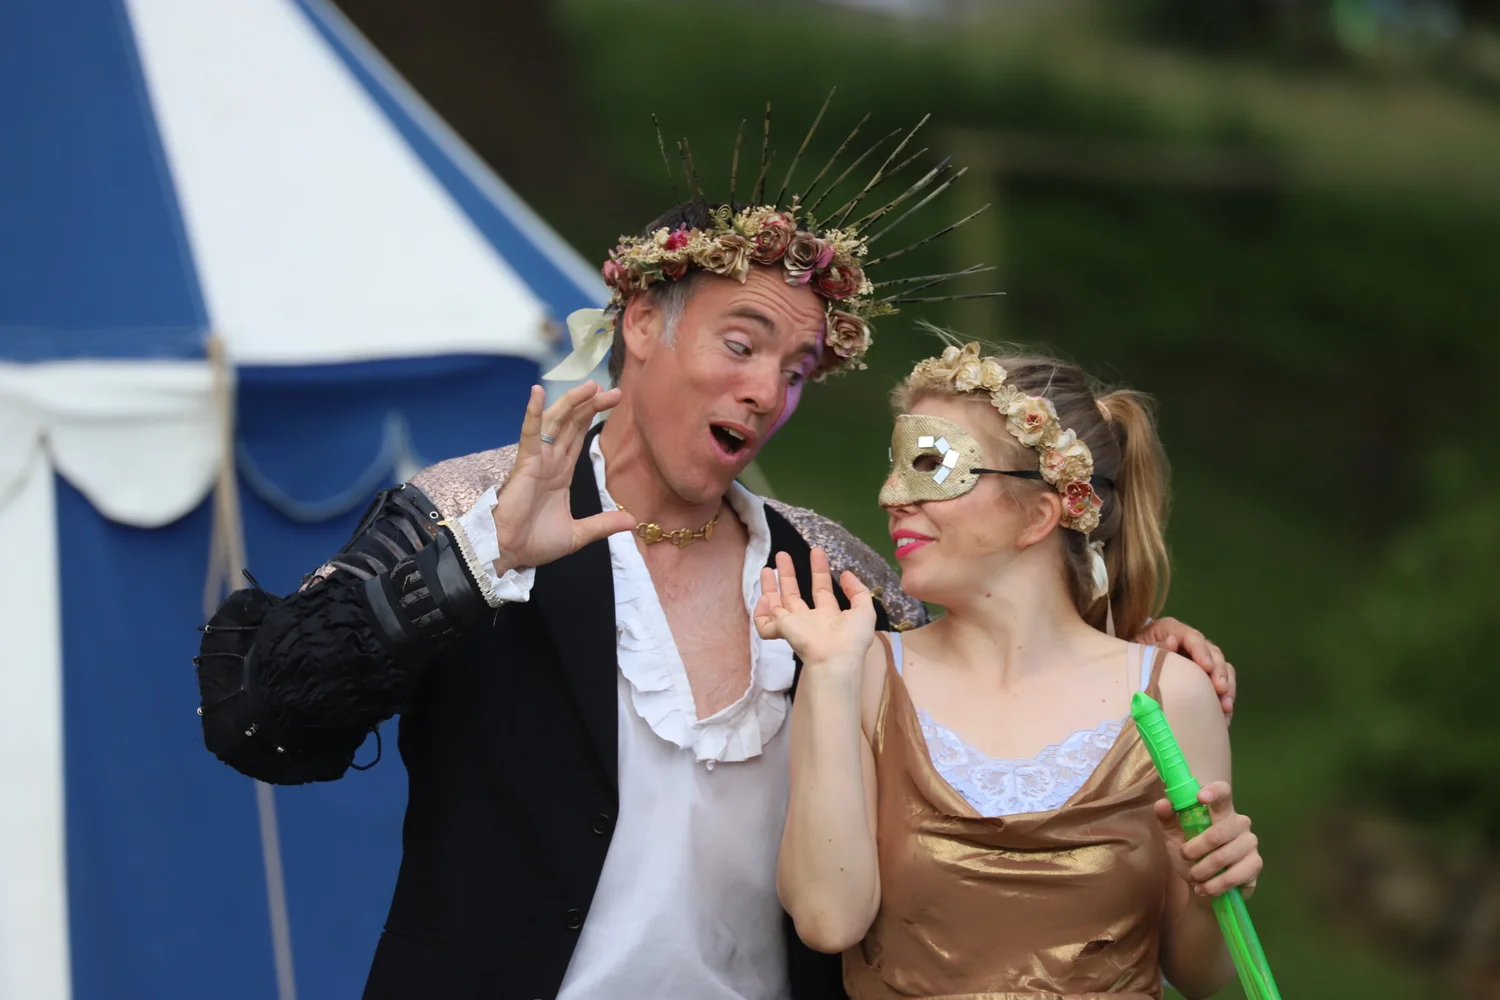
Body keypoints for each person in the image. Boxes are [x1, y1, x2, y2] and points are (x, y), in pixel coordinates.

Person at [195, 107, 1237, 1000]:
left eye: (798, 371)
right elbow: (259, 722)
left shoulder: (830, 575)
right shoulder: (470, 510)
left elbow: (1004, 658)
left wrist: (1135, 645)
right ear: (641, 325)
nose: (767, 391)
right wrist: (476, 562)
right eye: (741, 344)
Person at [759, 341, 1259, 1000]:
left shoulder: (1173, 696)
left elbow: (1202, 975)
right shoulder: (860, 673)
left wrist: (1213, 890)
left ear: (1039, 514)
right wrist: (826, 674)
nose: (890, 495)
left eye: (930, 465)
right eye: (894, 465)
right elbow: (828, 920)